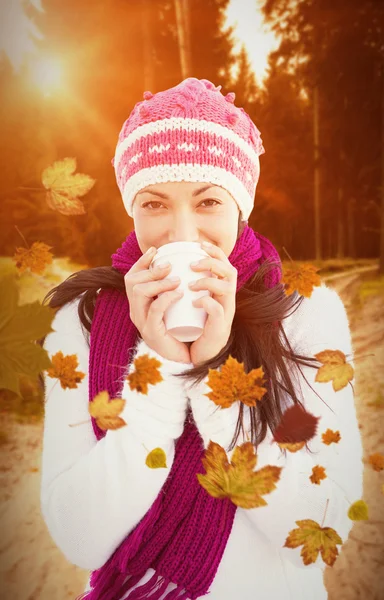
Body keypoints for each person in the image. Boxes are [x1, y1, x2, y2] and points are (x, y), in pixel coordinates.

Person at [39, 78, 364, 600]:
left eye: (208, 200)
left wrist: (217, 379)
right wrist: (160, 372)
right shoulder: (83, 323)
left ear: (242, 204)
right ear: (131, 208)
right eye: (155, 204)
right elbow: (81, 537)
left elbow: (322, 521)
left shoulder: (304, 319)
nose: (182, 233)